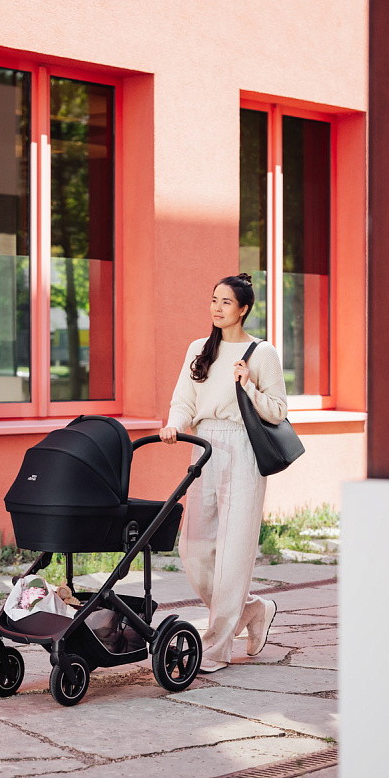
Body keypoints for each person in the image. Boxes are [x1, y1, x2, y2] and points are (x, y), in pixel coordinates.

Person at [159, 273, 288, 672]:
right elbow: (184, 398)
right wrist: (174, 425)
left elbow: (278, 411)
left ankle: (216, 647)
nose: (217, 308)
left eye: (226, 302)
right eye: (214, 300)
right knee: (194, 551)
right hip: (205, 447)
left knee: (234, 554)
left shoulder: (261, 353)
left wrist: (248, 386)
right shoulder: (199, 349)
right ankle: (252, 609)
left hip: (245, 449)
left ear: (244, 309)